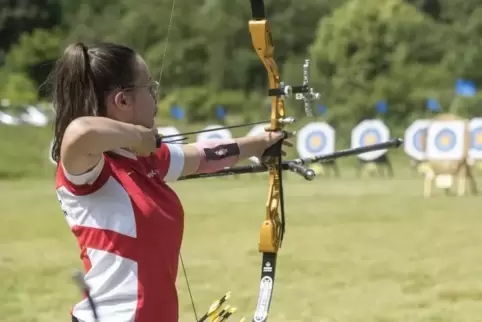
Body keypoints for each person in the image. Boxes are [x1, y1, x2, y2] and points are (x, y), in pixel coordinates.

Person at [50, 42, 287, 322]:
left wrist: (259, 144)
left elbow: (203, 156)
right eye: (149, 88)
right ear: (123, 101)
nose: (155, 96)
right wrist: (138, 136)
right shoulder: (88, 171)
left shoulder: (145, 160)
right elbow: (80, 131)